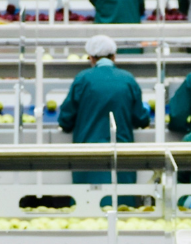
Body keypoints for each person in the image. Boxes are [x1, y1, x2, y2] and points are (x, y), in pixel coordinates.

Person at [59, 35, 152, 207]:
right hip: (121, 153)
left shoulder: (83, 79)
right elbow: (141, 118)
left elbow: (65, 119)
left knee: (87, 207)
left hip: (88, 154)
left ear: (91, 58)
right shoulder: (127, 79)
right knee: (121, 208)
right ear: (114, 56)